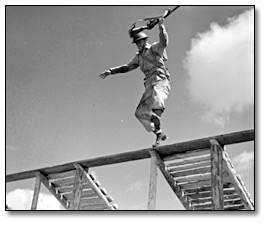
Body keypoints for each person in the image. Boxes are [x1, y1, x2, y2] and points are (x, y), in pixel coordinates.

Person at [99, 18, 171, 147]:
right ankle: (158, 132)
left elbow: (164, 41)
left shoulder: (154, 49)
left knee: (157, 97)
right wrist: (111, 71)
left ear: (145, 41)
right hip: (149, 83)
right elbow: (127, 67)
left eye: (140, 42)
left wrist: (161, 26)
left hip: (160, 80)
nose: (138, 45)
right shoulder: (138, 57)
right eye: (136, 43)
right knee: (139, 113)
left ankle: (156, 115)